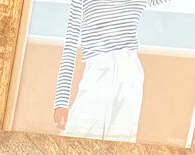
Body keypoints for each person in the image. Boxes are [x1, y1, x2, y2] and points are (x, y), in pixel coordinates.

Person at [53, 0, 171, 144]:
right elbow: (70, 46)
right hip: (96, 70)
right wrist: (61, 102)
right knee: (74, 144)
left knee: (118, 148)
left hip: (128, 73)